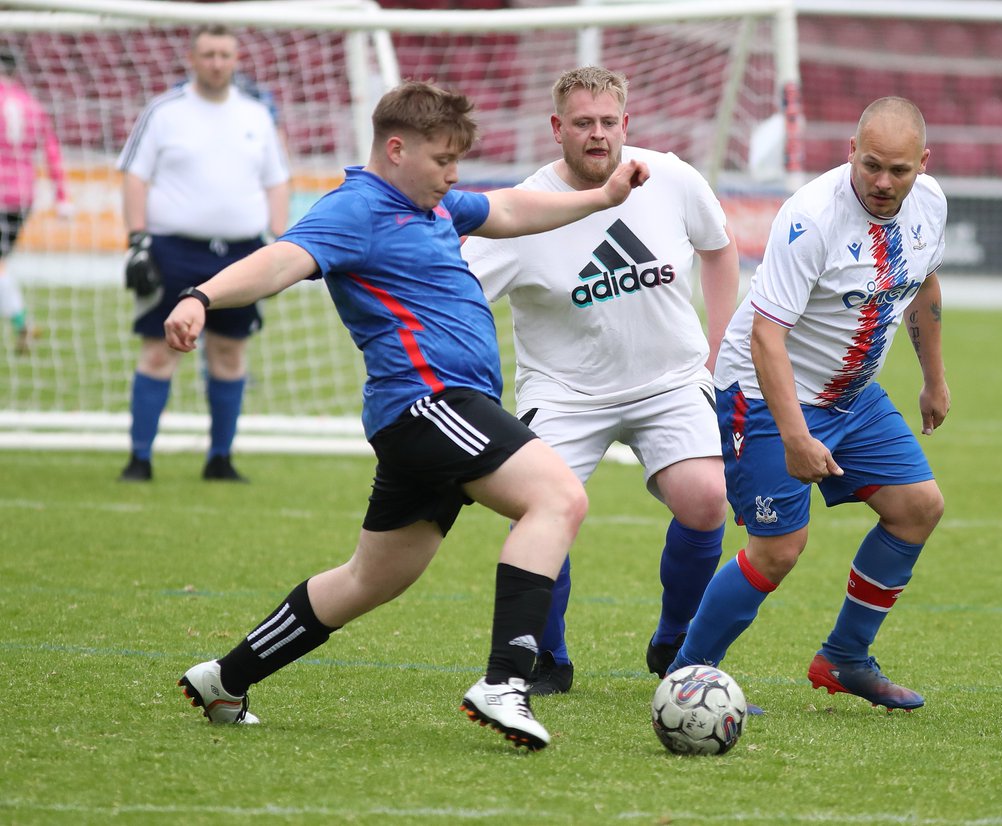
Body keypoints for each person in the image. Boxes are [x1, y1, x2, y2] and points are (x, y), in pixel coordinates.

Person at [164, 80, 650, 751]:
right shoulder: (357, 208)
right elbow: (282, 260)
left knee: (374, 577)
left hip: (432, 414)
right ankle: (507, 681)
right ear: (397, 149)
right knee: (558, 497)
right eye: (442, 161)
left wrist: (600, 197)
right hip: (430, 403)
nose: (453, 176)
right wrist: (199, 296)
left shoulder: (434, 204)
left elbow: (506, 207)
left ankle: (225, 677)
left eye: (457, 163)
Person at [461, 66, 740, 696]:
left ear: (626, 124)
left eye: (608, 123)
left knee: (705, 498)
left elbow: (720, 249)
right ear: (557, 129)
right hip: (564, 393)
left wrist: (718, 351)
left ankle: (676, 643)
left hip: (669, 380)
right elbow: (458, 294)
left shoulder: (669, 177)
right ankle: (547, 655)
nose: (598, 136)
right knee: (542, 506)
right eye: (583, 124)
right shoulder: (524, 210)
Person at [667, 97, 949, 711]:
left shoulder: (930, 203)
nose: (882, 182)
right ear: (850, 150)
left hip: (851, 396)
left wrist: (934, 379)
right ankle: (687, 676)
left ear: (922, 165)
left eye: (898, 171)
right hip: (766, 393)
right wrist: (795, 436)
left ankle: (844, 657)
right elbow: (768, 335)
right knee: (779, 548)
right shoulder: (811, 218)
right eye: (870, 164)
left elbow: (923, 281)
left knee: (918, 507)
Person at [116, 24, 290, 482]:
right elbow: (135, 176)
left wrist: (277, 240)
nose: (217, 62)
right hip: (173, 250)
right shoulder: (164, 111)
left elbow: (276, 181)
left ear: (236, 60)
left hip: (241, 254)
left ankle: (220, 459)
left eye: (225, 55)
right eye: (209, 54)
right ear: (192, 59)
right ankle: (139, 459)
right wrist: (137, 242)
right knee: (159, 351)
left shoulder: (256, 114)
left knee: (230, 353)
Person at [0, 49, 71, 355]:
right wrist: (62, 196)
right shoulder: (31, 104)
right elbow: (51, 151)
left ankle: (21, 320)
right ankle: (20, 322)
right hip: (22, 195)